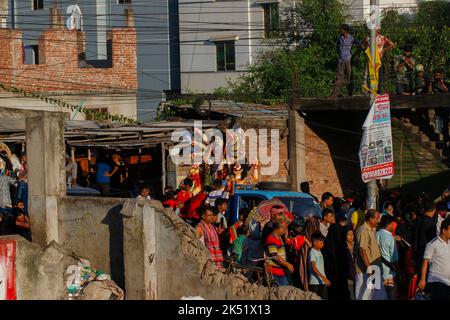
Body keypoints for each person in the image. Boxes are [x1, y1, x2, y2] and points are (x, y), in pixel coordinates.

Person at [418, 218, 450, 300]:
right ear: (444, 230)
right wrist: (422, 279)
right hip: (436, 281)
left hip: (447, 281)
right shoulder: (432, 244)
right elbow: (425, 262)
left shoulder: (449, 243)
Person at [354, 209, 383, 300]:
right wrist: (369, 267)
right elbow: (362, 250)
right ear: (370, 219)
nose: (378, 220)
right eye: (377, 218)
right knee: (364, 294)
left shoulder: (372, 229)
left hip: (374, 266)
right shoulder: (363, 230)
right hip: (365, 268)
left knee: (374, 293)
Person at [330, 24, 362, 98]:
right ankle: (335, 93)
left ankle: (349, 93)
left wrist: (354, 55)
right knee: (339, 77)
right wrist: (339, 54)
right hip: (341, 60)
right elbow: (337, 46)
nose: (340, 30)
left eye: (341, 29)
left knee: (349, 77)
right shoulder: (340, 38)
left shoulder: (352, 38)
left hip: (348, 60)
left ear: (345, 30)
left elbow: (360, 45)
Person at [376, 215, 399, 300]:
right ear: (388, 225)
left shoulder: (376, 234)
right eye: (393, 224)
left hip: (376, 269)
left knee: (378, 296)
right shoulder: (390, 238)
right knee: (391, 295)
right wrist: (398, 270)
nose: (394, 226)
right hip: (389, 272)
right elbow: (395, 258)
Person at [266, 221, 294, 286]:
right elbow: (275, 256)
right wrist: (288, 264)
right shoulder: (271, 239)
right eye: (284, 229)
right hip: (274, 272)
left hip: (281, 271)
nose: (285, 231)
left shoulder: (279, 238)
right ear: (278, 228)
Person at [413, 200, 437, 272]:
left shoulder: (418, 220)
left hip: (417, 253)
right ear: (434, 210)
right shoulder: (431, 223)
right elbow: (432, 242)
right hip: (426, 255)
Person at [308, 232, 330, 299]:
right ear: (315, 243)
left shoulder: (319, 251)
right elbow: (313, 267)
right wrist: (324, 278)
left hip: (321, 282)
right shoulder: (312, 252)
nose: (323, 245)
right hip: (315, 283)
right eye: (321, 243)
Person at [374, 29, 394, 93]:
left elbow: (392, 44)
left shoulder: (382, 37)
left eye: (376, 30)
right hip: (371, 59)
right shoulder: (370, 37)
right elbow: (364, 44)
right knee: (372, 75)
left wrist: (384, 49)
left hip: (379, 59)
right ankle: (372, 89)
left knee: (379, 75)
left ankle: (379, 90)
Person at [344, 227, 356, 300]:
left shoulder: (356, 245)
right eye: (349, 235)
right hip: (348, 273)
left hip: (358, 272)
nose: (351, 236)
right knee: (351, 293)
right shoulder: (343, 246)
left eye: (352, 234)